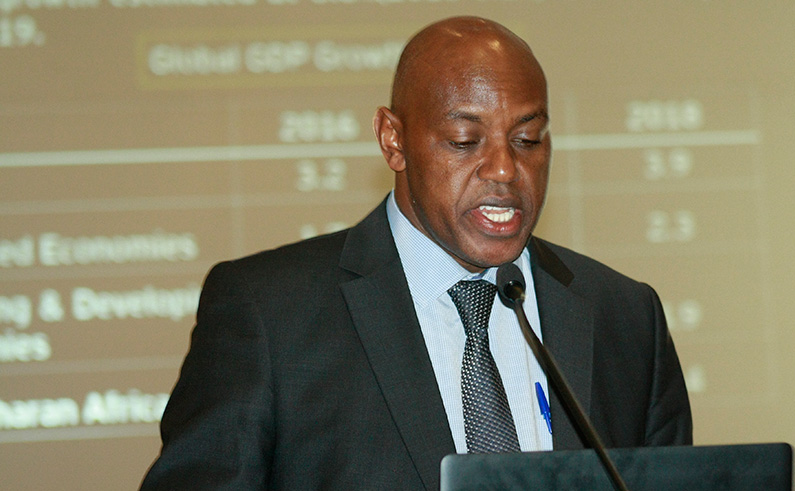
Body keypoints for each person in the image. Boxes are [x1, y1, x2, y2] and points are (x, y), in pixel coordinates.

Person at [141, 16, 691, 490]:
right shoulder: (269, 316)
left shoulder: (625, 316)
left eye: (528, 139)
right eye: (463, 141)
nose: (504, 169)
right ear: (393, 140)